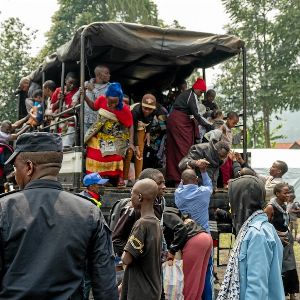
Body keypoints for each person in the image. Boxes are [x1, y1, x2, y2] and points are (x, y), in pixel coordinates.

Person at [0, 132, 118, 299]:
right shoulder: (89, 212)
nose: (14, 175)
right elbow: (105, 285)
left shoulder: (4, 209)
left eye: (15, 168)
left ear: (29, 167)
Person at [217, 175, 285, 300]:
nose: (230, 204)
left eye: (232, 199)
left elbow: (257, 288)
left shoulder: (257, 234)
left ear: (241, 200)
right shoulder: (256, 228)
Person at [166, 77, 214, 185]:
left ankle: (179, 177)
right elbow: (196, 115)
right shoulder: (190, 96)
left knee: (178, 150)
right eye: (201, 92)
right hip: (179, 122)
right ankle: (181, 178)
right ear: (196, 88)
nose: (201, 94)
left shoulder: (191, 95)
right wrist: (208, 125)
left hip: (180, 121)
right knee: (183, 150)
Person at [175, 167, 214, 300]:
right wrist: (203, 171)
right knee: (206, 274)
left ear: (182, 181)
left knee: (190, 276)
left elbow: (181, 184)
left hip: (187, 239)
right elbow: (209, 185)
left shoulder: (178, 193)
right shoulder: (203, 192)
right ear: (196, 180)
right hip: (205, 237)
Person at [84, 82, 133, 187]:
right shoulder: (101, 99)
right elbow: (93, 107)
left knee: (117, 153)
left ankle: (119, 177)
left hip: (116, 135)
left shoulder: (124, 109)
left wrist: (131, 143)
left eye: (115, 102)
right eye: (110, 101)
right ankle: (97, 178)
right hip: (99, 133)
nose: (112, 105)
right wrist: (84, 96)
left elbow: (130, 125)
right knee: (93, 150)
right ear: (106, 97)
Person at [121, 178, 162, 300]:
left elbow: (126, 259)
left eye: (132, 193)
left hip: (140, 291)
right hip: (152, 289)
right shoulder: (156, 222)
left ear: (139, 197)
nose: (130, 197)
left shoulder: (141, 224)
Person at [163, 206, 212, 300]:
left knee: (188, 282)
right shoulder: (170, 210)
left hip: (194, 240)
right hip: (205, 237)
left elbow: (181, 229)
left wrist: (172, 251)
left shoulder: (163, 214)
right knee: (198, 282)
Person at [264, 182, 299, 300]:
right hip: (277, 243)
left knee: (290, 266)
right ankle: (280, 294)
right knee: (279, 268)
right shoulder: (270, 207)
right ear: (277, 193)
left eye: (289, 192)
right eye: (285, 193)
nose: (288, 195)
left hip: (286, 243)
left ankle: (292, 293)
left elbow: (285, 222)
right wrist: (277, 236)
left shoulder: (284, 206)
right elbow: (264, 226)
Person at [123, 94, 157, 182]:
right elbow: (132, 128)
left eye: (150, 109)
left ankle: (138, 178)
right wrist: (136, 145)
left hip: (141, 128)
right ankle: (125, 179)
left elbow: (151, 120)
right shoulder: (135, 111)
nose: (147, 111)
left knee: (139, 154)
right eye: (145, 108)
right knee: (130, 152)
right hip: (129, 129)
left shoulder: (154, 111)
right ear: (141, 105)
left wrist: (148, 132)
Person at [74, 65, 111, 134]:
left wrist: (93, 89)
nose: (109, 75)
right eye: (106, 73)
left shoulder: (110, 87)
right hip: (85, 121)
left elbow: (105, 101)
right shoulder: (86, 83)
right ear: (98, 75)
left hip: (101, 122)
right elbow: (75, 96)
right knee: (86, 142)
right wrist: (75, 101)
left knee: (98, 143)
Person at [51, 72, 79, 147]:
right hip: (58, 124)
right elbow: (52, 107)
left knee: (66, 146)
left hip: (70, 123)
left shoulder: (77, 92)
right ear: (65, 81)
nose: (72, 85)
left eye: (74, 83)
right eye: (70, 83)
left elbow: (75, 110)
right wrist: (59, 100)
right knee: (57, 147)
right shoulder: (58, 91)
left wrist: (62, 110)